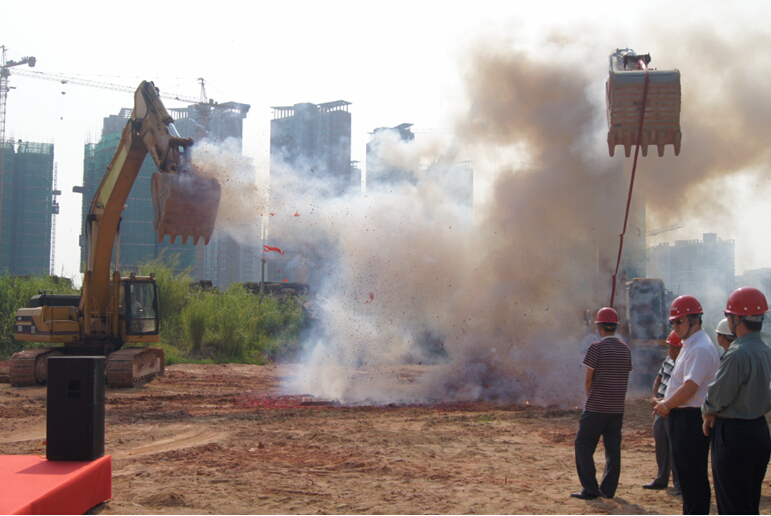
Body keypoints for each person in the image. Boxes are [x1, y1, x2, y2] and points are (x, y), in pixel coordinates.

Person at [702, 287, 771, 514]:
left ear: (737, 318)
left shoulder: (737, 353)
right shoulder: (766, 350)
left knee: (732, 504)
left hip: (734, 435)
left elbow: (719, 394)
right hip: (759, 430)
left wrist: (708, 411)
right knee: (750, 501)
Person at [653, 295, 720, 515]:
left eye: (679, 321)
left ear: (695, 320)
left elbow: (690, 388)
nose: (675, 326)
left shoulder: (700, 348)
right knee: (687, 476)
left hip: (690, 418)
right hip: (683, 417)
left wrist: (666, 405)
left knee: (692, 477)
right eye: (673, 322)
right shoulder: (691, 345)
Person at [572, 307, 632, 501]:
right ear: (615, 326)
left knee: (583, 444)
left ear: (599, 327)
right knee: (613, 450)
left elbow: (588, 379)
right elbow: (624, 376)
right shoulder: (625, 349)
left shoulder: (596, 348)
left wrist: (590, 400)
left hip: (596, 408)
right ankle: (608, 490)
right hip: (617, 408)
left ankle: (590, 489)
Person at [644, 331, 682, 494]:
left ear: (678, 349)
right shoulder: (668, 361)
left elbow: (683, 389)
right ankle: (662, 478)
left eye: (670, 347)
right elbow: (658, 379)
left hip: (674, 409)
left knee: (676, 448)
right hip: (661, 408)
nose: (668, 350)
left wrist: (665, 403)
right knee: (661, 444)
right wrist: (654, 397)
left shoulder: (684, 364)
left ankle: (679, 483)